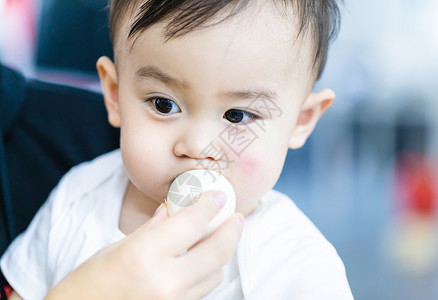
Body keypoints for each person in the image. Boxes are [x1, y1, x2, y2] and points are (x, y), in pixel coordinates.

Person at [1, 0, 354, 299]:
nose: (198, 146)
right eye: (163, 104)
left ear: (300, 121)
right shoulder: (77, 198)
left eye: (237, 115)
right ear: (114, 95)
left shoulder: (297, 264)